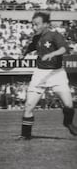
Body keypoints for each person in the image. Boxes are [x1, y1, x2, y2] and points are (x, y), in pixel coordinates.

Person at [18, 12, 77, 140]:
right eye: (33, 24)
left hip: (57, 73)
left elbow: (64, 49)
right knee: (29, 106)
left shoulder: (55, 35)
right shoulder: (36, 37)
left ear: (45, 24)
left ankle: (68, 123)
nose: (35, 27)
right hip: (40, 74)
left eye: (37, 24)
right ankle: (25, 135)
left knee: (69, 105)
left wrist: (52, 54)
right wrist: (24, 53)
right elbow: (31, 47)